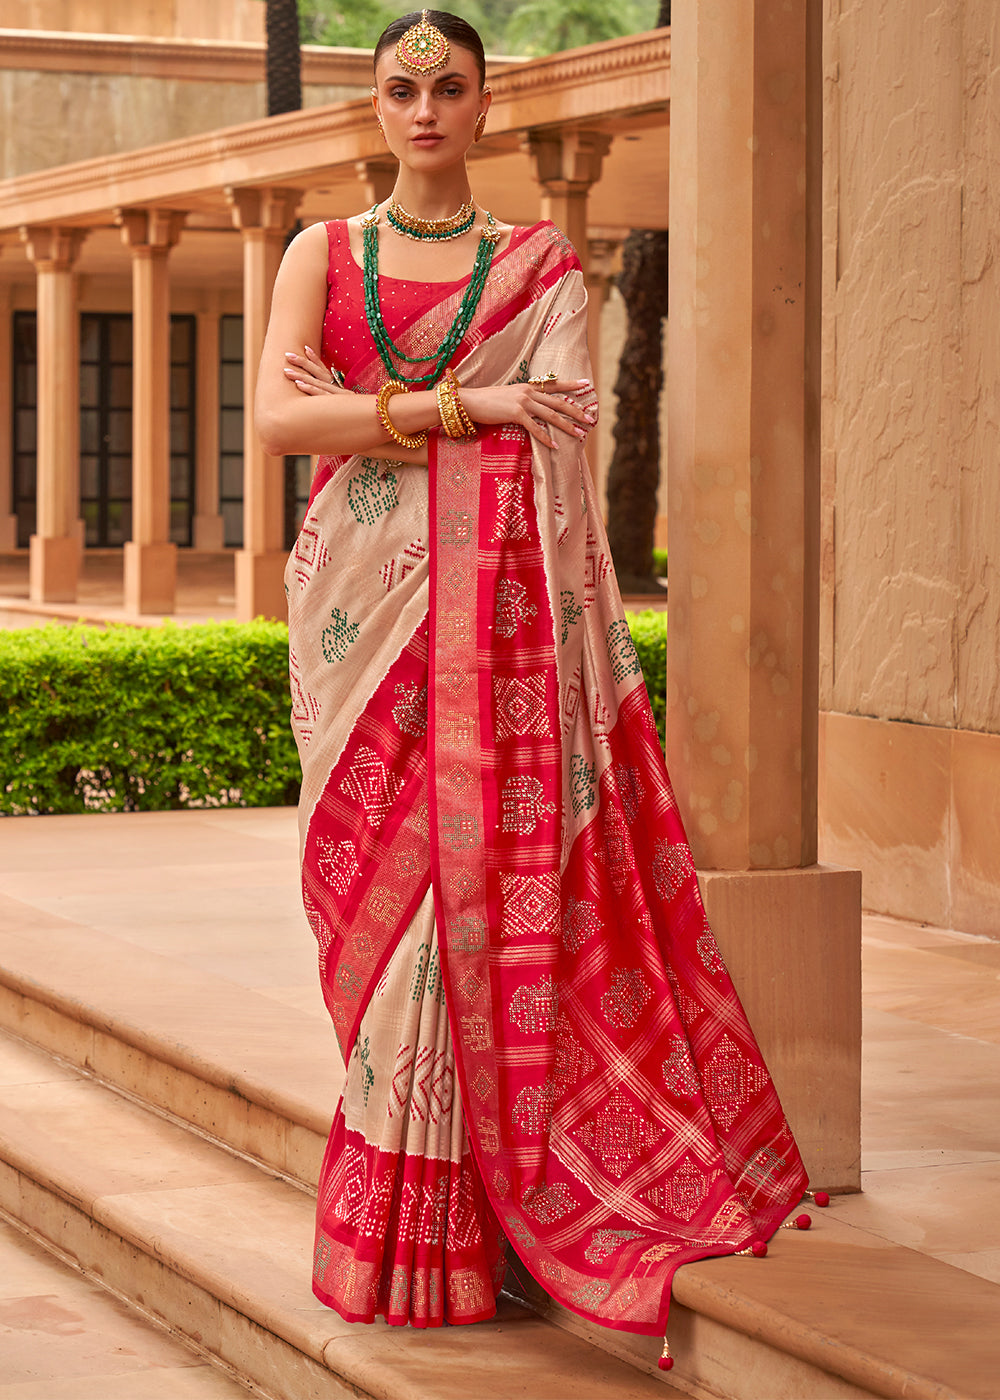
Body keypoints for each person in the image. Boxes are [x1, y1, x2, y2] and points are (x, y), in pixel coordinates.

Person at [255, 8, 808, 1363]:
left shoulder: (540, 263)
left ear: (486, 104)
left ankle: (448, 1242)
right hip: (358, 619)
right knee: (380, 917)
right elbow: (280, 416)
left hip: (495, 640)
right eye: (401, 87)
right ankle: (421, 1222)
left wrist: (397, 410)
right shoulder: (324, 252)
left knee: (466, 913)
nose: (425, 108)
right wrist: (463, 408)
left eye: (450, 87)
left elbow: (558, 435)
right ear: (373, 107)